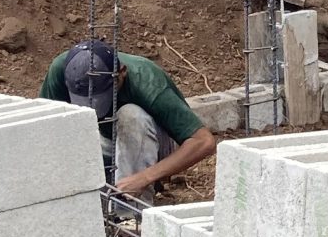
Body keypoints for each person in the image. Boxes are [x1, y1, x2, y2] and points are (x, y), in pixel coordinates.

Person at [42, 38, 218, 197]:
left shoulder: (147, 82)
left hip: (152, 144)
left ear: (121, 73)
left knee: (130, 116)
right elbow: (45, 129)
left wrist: (145, 177)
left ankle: (129, 216)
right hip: (100, 142)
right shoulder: (61, 70)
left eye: (102, 96)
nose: (95, 107)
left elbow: (203, 142)